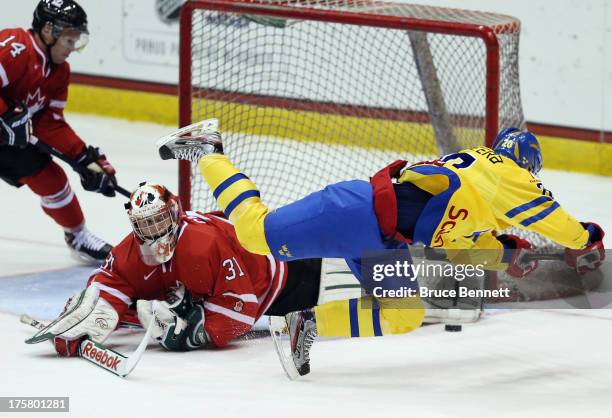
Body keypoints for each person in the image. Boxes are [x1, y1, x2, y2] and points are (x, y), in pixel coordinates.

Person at [156, 119, 605, 377]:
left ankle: (305, 321)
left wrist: (506, 253)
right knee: (255, 233)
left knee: (404, 314)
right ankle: (208, 148)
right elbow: (552, 220)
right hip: (358, 211)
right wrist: (585, 238)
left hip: (381, 240)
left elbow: (459, 235)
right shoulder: (510, 175)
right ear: (527, 165)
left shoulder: (482, 182)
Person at [29, 182, 325, 357]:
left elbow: (242, 311)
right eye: (144, 224)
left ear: (174, 213)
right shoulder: (130, 252)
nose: (153, 231)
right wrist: (100, 305)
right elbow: (112, 282)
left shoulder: (202, 245)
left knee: (364, 284)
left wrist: (195, 332)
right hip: (263, 277)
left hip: (290, 275)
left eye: (157, 221)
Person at [0, 0, 115, 263]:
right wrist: (5, 114)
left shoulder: (60, 71)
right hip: (4, 130)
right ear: (49, 31)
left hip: (8, 140)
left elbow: (49, 121)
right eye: (69, 41)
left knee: (53, 180)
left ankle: (78, 236)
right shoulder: (15, 47)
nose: (72, 49)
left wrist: (84, 157)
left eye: (77, 41)